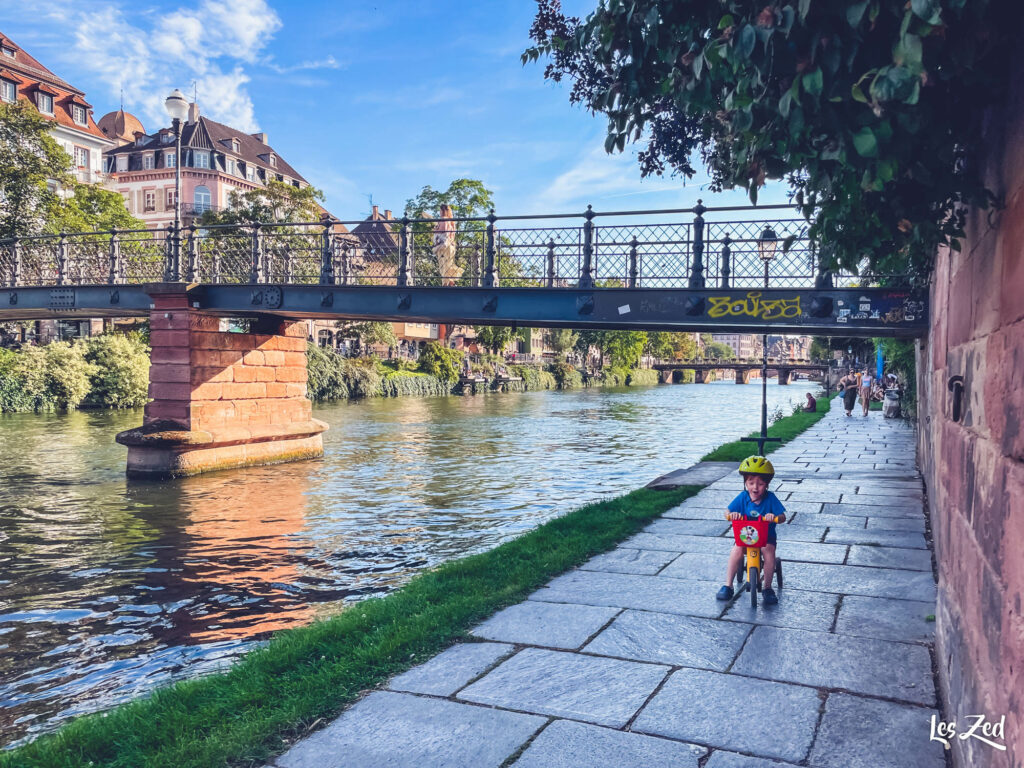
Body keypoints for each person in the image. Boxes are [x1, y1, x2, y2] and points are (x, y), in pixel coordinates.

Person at [716, 456, 787, 605]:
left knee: (768, 552)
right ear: (745, 483)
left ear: (767, 484)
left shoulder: (770, 498)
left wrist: (774, 517)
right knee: (736, 550)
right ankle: (728, 585)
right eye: (751, 483)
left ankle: (767, 588)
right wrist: (731, 515)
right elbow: (727, 511)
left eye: (760, 484)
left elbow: (782, 517)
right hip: (745, 536)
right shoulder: (743, 497)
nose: (755, 487)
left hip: (766, 537)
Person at [433, 204, 461, 286]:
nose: (440, 212)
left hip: (443, 246)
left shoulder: (443, 220)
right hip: (451, 246)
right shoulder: (452, 222)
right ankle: (451, 283)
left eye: (440, 210)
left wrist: (435, 229)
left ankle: (445, 285)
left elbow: (441, 231)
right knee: (449, 265)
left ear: (443, 211)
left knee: (443, 267)